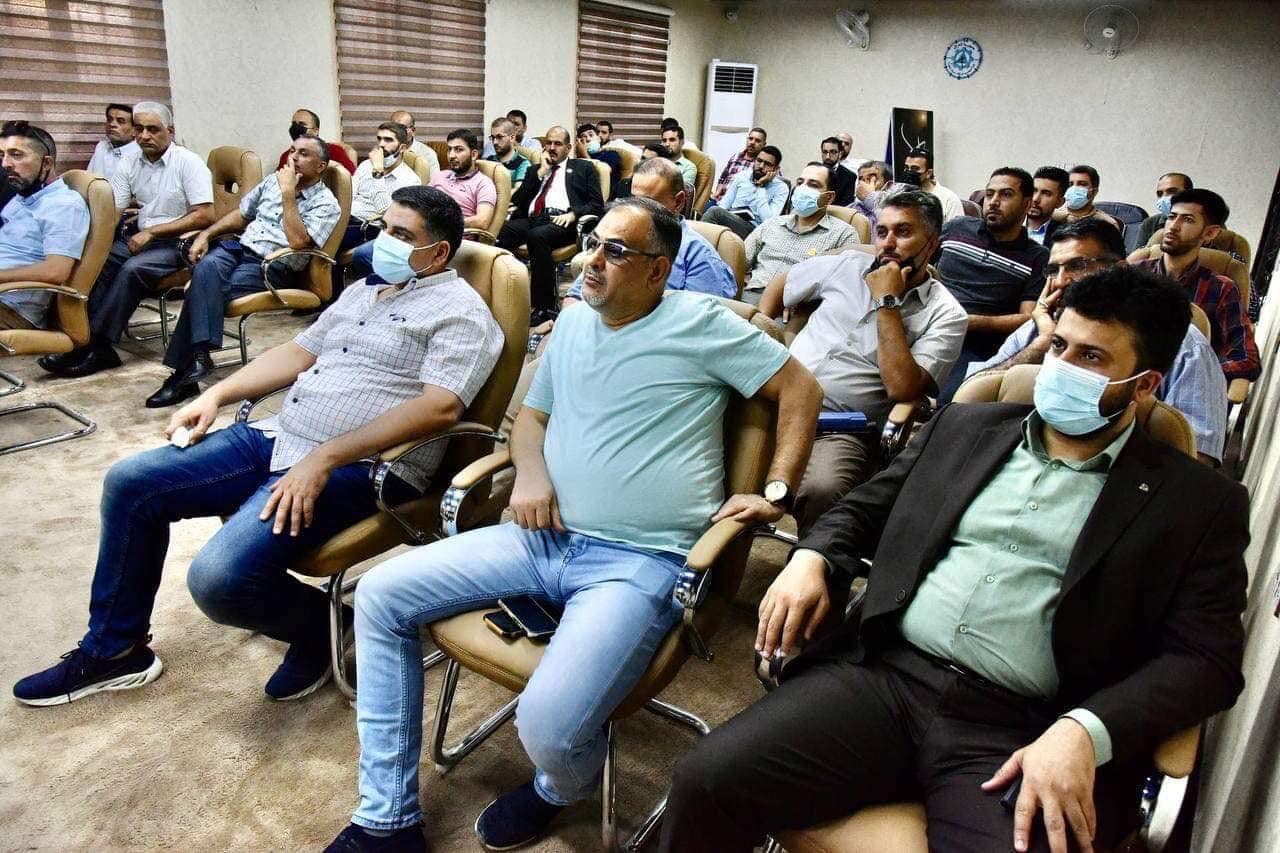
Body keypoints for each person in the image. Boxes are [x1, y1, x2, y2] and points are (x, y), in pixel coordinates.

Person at [661, 265, 1250, 853]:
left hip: (1027, 729)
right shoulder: (965, 427)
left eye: (1091, 358)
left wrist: (1085, 731)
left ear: (1145, 385)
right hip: (888, 681)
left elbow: (1207, 661)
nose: (1061, 367)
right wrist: (809, 558)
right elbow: (862, 508)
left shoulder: (1197, 503)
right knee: (706, 781)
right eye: (1060, 346)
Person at [323, 196, 823, 853]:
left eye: (616, 250)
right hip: (538, 537)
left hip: (640, 560)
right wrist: (530, 475)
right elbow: (532, 419)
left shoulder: (702, 323)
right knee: (381, 594)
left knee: (550, 729)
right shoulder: (575, 322)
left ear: (658, 270)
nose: (593, 260)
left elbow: (801, 389)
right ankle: (386, 819)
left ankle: (561, 787)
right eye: (593, 242)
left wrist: (777, 491)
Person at [12, 186, 504, 709]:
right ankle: (115, 650)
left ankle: (325, 625)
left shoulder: (461, 313)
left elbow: (439, 408)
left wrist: (325, 457)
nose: (383, 241)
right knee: (131, 483)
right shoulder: (368, 290)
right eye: (385, 227)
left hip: (363, 467)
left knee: (218, 580)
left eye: (401, 234)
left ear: (438, 252)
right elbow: (297, 352)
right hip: (280, 436)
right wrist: (216, 395)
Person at [757, 190, 967, 533]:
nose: (888, 243)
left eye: (903, 232)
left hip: (838, 428)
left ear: (932, 245)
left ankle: (810, 561)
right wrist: (765, 331)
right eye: (882, 231)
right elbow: (782, 283)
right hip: (773, 401)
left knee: (823, 490)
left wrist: (887, 302)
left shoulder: (946, 314)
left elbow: (903, 389)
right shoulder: (847, 265)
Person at [968, 218, 1228, 464]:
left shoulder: (1186, 346)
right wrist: (1045, 341)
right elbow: (975, 393)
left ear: (1120, 269)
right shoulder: (1041, 325)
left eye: (1077, 266)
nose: (1061, 281)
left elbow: (1197, 457)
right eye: (1054, 270)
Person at [145, 135, 342, 408]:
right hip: (238, 248)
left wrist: (288, 194)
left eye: (304, 154)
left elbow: (298, 242)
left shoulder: (326, 203)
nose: (293, 158)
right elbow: (242, 214)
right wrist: (206, 234)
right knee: (206, 267)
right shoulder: (272, 182)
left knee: (203, 287)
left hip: (271, 265)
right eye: (293, 151)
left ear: (321, 166)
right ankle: (198, 359)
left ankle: (184, 374)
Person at [38, 102, 215, 378]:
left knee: (132, 270)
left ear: (170, 131)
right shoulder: (130, 161)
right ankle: (81, 341)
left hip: (180, 243)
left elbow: (205, 215)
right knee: (99, 261)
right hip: (142, 239)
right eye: (139, 129)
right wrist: (90, 242)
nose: (144, 136)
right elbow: (114, 211)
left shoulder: (188, 162)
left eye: (153, 129)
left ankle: (100, 346)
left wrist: (153, 232)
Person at [934, 166, 1049, 402]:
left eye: (1005, 195)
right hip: (927, 323)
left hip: (974, 343)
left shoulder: (1037, 257)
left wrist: (971, 322)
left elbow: (1028, 317)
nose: (993, 202)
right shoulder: (956, 228)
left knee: (952, 401)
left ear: (1027, 204)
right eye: (989, 194)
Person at [562, 157, 737, 304]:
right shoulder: (613, 238)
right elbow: (574, 296)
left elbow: (699, 323)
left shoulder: (699, 257)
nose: (636, 210)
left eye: (647, 203)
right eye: (633, 200)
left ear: (678, 202)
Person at [1130, 188, 1259, 382]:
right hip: (1127, 378)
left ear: (1210, 233)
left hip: (1184, 387)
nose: (1173, 226)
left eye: (1187, 220)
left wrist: (1192, 373)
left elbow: (1246, 359)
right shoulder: (1132, 276)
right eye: (1172, 217)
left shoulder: (1221, 289)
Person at [496, 126, 604, 327]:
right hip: (533, 218)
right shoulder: (535, 170)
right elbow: (518, 201)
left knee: (538, 237)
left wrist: (574, 214)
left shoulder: (583, 168)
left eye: (558, 144)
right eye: (549, 143)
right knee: (499, 232)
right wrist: (540, 172)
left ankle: (544, 308)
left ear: (568, 148)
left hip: (563, 220)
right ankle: (503, 296)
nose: (552, 148)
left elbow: (597, 204)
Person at [0, 121, 90, 331]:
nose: (5, 164)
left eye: (16, 155)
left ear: (47, 163)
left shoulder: (63, 205)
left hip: (13, 309)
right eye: (2, 155)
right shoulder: (22, 197)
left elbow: (55, 271)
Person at [739, 162, 860, 304]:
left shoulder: (843, 235)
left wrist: (806, 305)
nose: (803, 189)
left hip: (794, 306)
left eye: (813, 185)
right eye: (800, 183)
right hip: (749, 296)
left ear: (829, 197)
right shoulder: (772, 224)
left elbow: (844, 287)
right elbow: (739, 261)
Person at [341, 122, 422, 254]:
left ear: (402, 148)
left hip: (370, 228)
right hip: (346, 219)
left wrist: (378, 172)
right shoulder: (366, 165)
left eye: (388, 140)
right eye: (379, 139)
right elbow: (349, 196)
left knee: (320, 241)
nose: (381, 144)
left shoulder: (410, 180)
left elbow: (386, 212)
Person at [702, 145, 787, 239]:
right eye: (759, 161)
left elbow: (768, 221)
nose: (761, 166)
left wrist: (761, 186)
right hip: (732, 219)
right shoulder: (742, 176)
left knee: (715, 212)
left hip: (755, 230)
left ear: (776, 169)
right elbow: (725, 204)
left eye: (767, 164)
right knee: (710, 210)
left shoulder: (781, 188)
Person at [428, 129, 497, 232]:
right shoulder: (439, 176)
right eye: (449, 149)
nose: (451, 155)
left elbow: (482, 221)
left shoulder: (483, 183)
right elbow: (422, 203)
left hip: (455, 236)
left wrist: (444, 223)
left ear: (473, 155)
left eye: (458, 150)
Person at [278, 108, 356, 173]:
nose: (296, 128)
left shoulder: (334, 151)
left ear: (315, 131)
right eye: (294, 124)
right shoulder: (286, 156)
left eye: (302, 124)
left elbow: (352, 179)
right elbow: (277, 183)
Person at [901, 151, 963, 224]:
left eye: (915, 168)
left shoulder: (949, 199)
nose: (909, 172)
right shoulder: (900, 194)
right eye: (906, 168)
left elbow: (957, 229)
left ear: (929, 173)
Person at [1135, 172, 1193, 247]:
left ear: (1189, 194)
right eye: (1160, 194)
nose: (1164, 197)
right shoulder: (1150, 223)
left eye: (1172, 191)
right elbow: (1137, 254)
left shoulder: (1203, 221)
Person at [86, 103, 140, 182]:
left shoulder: (141, 157)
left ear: (135, 131)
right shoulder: (102, 146)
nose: (112, 124)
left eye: (120, 121)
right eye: (109, 119)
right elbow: (87, 180)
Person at [1060, 165, 1122, 230]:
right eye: (1070, 184)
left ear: (1094, 191)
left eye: (1082, 184)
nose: (1074, 189)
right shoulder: (1054, 216)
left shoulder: (1107, 224)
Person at [714, 127, 766, 201]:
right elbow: (723, 178)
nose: (752, 142)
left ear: (764, 145)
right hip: (720, 200)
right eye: (750, 139)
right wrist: (716, 193)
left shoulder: (763, 164)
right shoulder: (735, 157)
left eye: (757, 141)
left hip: (741, 204)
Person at [574, 123, 621, 198]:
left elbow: (599, 175)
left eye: (591, 135)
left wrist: (584, 154)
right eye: (584, 137)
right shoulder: (579, 159)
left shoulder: (611, 155)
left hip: (606, 199)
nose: (588, 139)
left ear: (598, 138)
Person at [388, 110, 440, 176]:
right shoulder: (385, 151)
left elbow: (434, 181)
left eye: (402, 128)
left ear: (413, 131)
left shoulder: (427, 154)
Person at [1026, 166, 1068, 246]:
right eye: (1034, 190)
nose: (1035, 199)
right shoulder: (1006, 222)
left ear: (1060, 202)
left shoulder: (1065, 237)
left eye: (1046, 193)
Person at [483, 117, 530, 186]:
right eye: (493, 137)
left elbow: (518, 190)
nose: (495, 142)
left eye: (499, 137)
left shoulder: (523, 164)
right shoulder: (489, 160)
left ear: (512, 138)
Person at [852, 160, 891, 232]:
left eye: (872, 179)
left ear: (888, 185)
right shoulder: (851, 208)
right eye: (861, 179)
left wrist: (870, 197)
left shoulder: (895, 208)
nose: (865, 184)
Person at [819, 136, 858, 207]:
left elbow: (847, 205)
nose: (828, 156)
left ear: (840, 154)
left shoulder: (849, 176)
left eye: (833, 152)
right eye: (825, 152)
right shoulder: (814, 171)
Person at [661, 125, 697, 192]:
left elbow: (682, 191)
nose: (667, 144)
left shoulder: (689, 167)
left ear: (682, 142)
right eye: (664, 140)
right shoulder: (658, 161)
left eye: (672, 140)